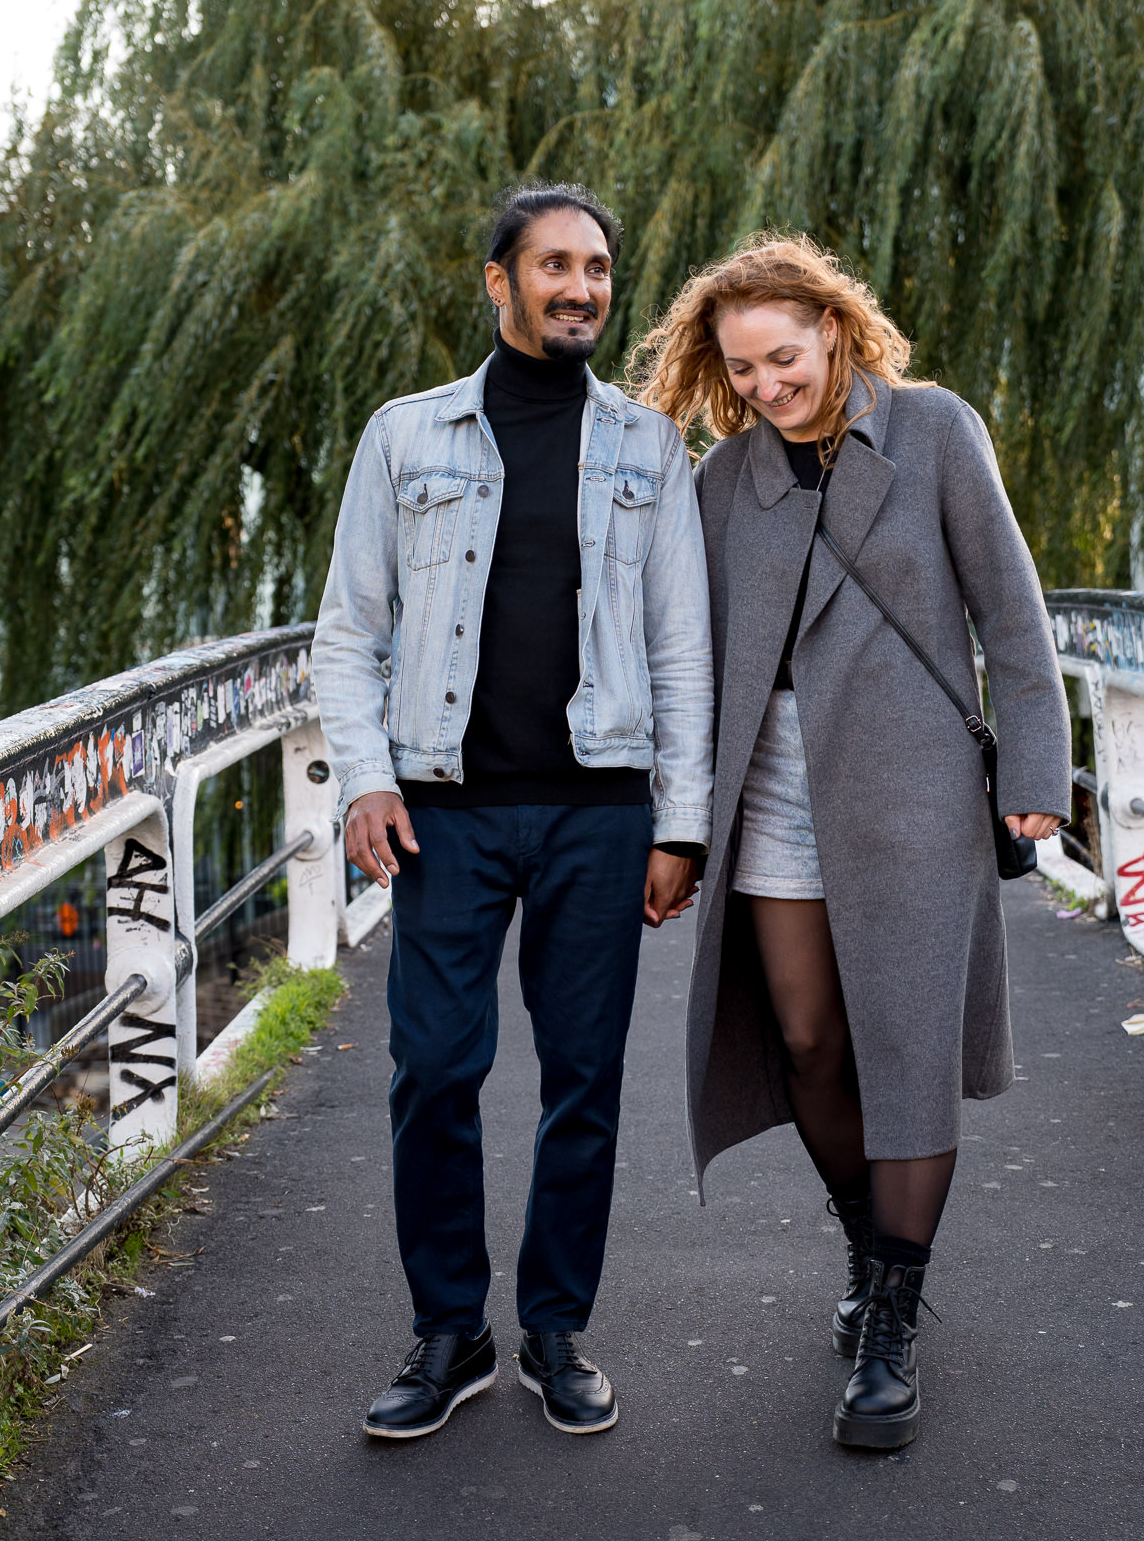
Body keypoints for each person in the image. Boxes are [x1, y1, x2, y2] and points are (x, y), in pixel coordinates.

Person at [632, 233, 1070, 1450]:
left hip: (911, 793)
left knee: (908, 1042)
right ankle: (871, 1242)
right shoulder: (726, 480)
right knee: (811, 1038)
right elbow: (680, 654)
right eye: (744, 370)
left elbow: (1010, 610)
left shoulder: (931, 430)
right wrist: (668, 818)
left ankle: (893, 1314)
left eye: (785, 355)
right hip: (771, 790)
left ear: (833, 326)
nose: (770, 385)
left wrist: (1036, 768)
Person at [312, 183, 713, 1441]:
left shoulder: (650, 447)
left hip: (600, 811)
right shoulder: (407, 436)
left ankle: (554, 1326)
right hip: (447, 810)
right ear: (500, 283)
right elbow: (347, 629)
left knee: (582, 1078)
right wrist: (368, 772)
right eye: (555, 265)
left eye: (597, 265)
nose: (582, 286)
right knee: (434, 1068)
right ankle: (449, 1329)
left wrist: (680, 823)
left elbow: (682, 648)